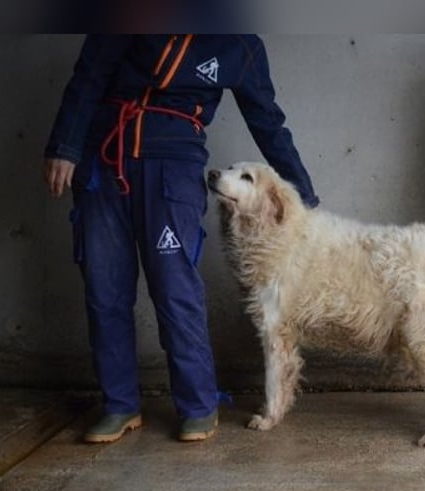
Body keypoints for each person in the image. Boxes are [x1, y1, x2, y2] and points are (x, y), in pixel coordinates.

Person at [43, 35, 320, 442]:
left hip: (172, 167)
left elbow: (268, 122)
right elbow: (90, 74)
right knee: (104, 289)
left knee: (175, 288)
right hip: (103, 157)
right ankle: (119, 405)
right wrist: (65, 146)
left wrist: (305, 198)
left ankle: (197, 406)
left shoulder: (240, 44)